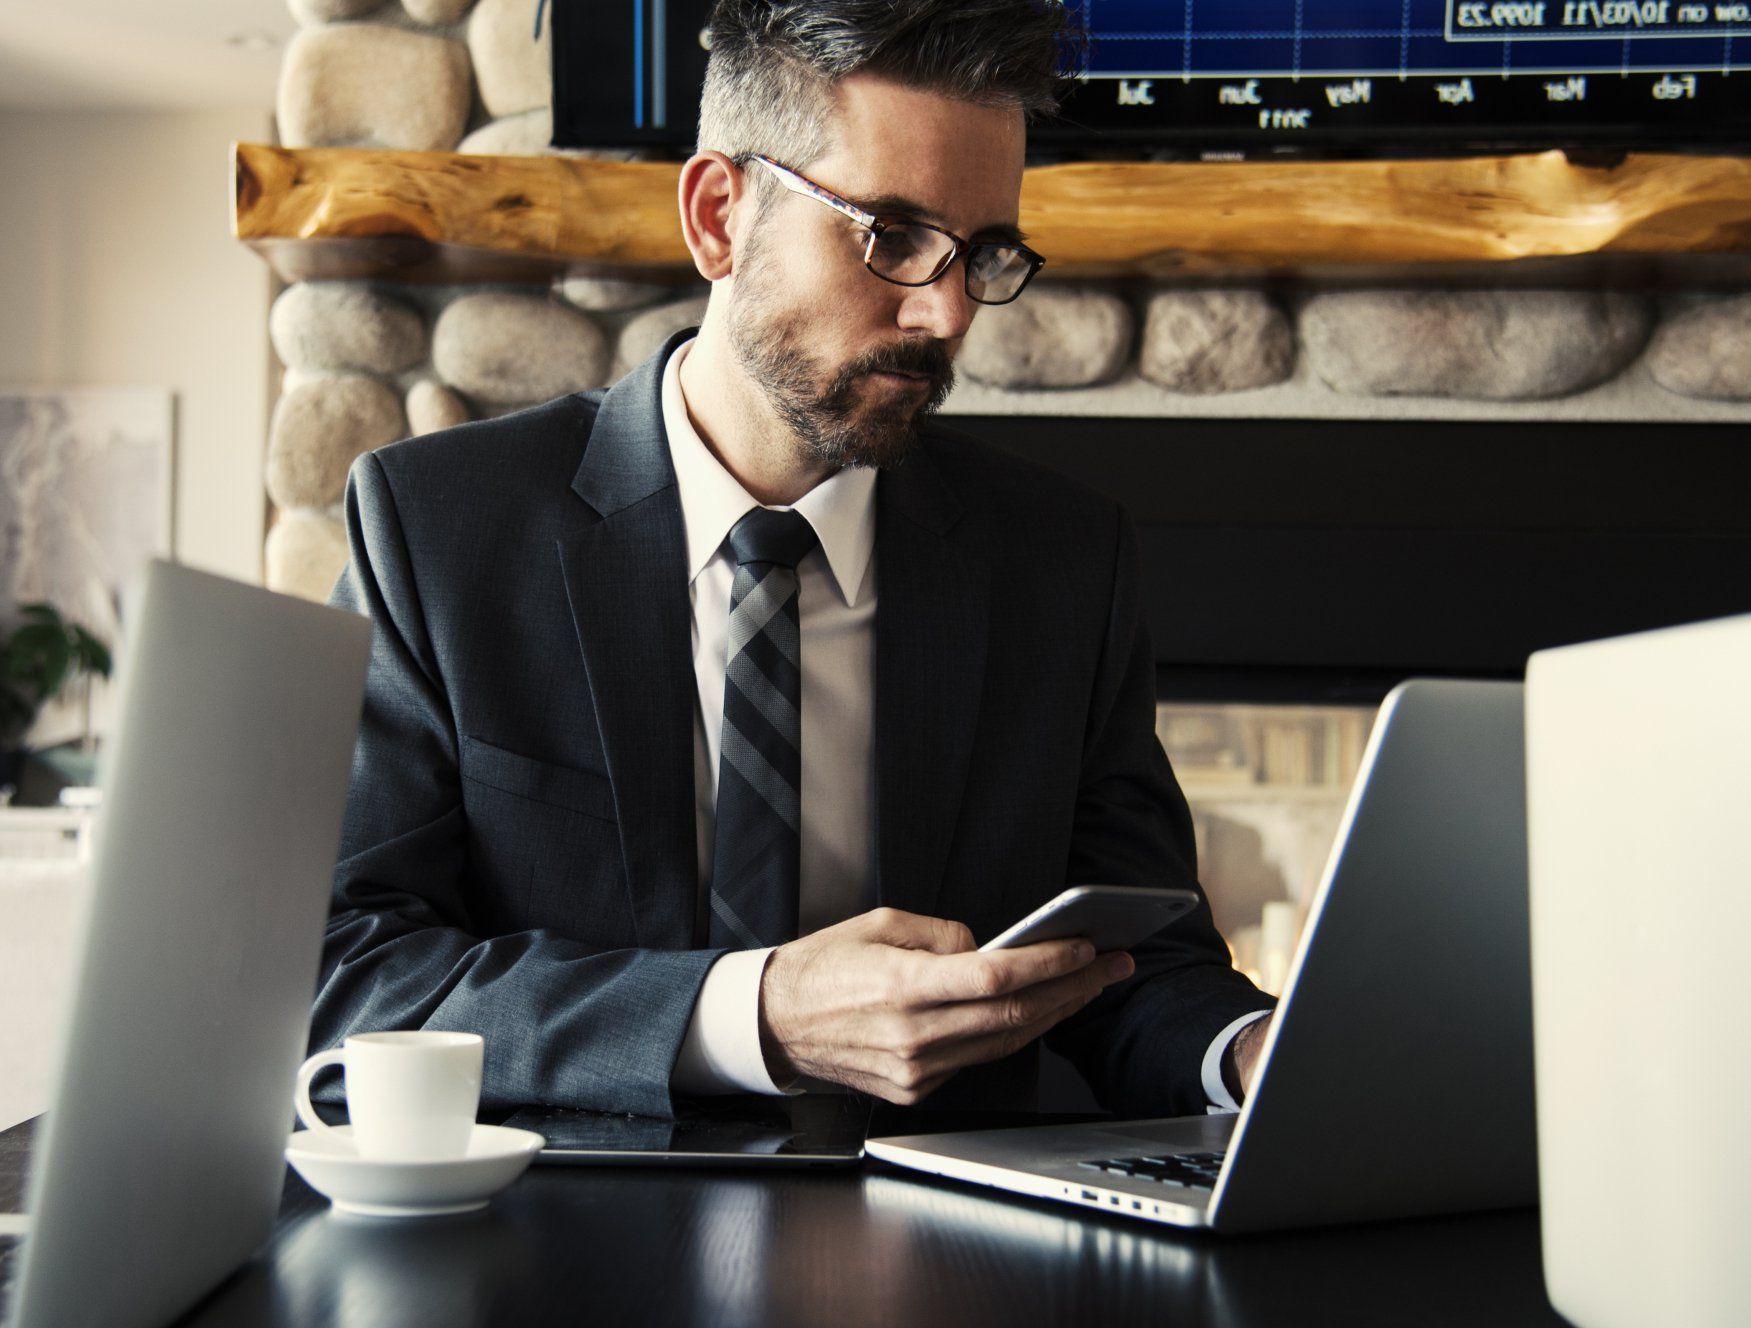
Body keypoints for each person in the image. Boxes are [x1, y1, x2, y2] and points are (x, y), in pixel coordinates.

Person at [314, 0, 1273, 1119]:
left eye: (986, 252)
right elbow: (347, 969)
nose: (947, 309)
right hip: (565, 1234)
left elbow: (1135, 963)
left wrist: (1255, 1050)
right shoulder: (439, 529)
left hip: (944, 1252)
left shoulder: (1064, 562)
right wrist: (753, 1014)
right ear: (719, 216)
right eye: (892, 236)